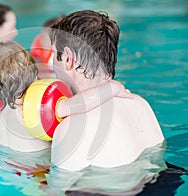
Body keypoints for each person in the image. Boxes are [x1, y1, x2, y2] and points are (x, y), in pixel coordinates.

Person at [48, 10, 165, 171]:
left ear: (69, 59)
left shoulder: (73, 128)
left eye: (54, 54)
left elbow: (56, 193)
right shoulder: (140, 104)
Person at [0, 40, 131, 153]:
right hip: (40, 173)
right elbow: (80, 103)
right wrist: (111, 88)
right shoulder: (36, 108)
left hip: (13, 169)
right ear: (34, 74)